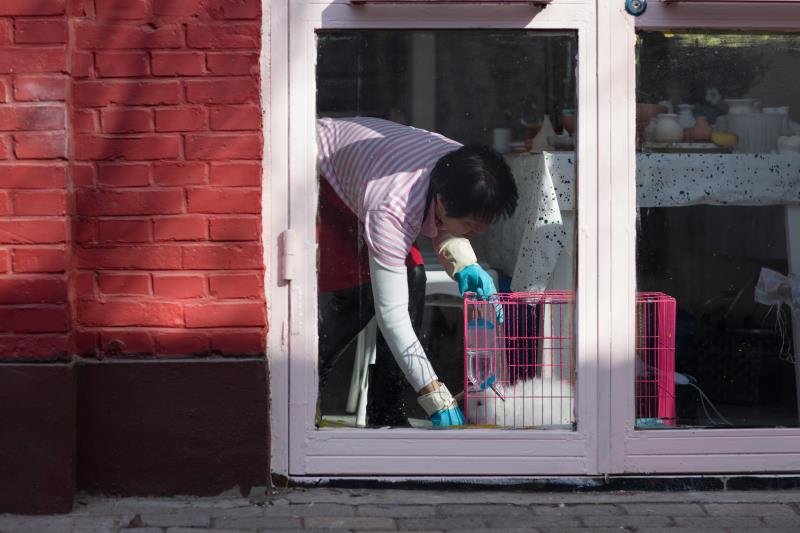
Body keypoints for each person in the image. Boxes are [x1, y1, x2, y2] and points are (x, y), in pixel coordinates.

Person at [316, 116, 518, 428]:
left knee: (413, 278)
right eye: (469, 225)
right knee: (357, 296)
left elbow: (443, 222)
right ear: (442, 201)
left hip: (370, 174)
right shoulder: (391, 209)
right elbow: (391, 315)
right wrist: (433, 393)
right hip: (319, 175)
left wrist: (465, 262)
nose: (477, 231)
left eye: (484, 223)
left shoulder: (464, 169)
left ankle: (386, 410)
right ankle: (302, 396)